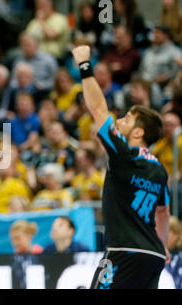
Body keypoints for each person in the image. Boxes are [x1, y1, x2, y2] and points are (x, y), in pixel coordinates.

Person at [72, 45, 171, 289]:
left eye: (127, 119)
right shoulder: (160, 170)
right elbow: (163, 213)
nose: (120, 120)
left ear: (138, 132)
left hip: (123, 252)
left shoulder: (124, 156)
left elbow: (98, 110)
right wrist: (164, 244)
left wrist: (84, 65)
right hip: (154, 256)